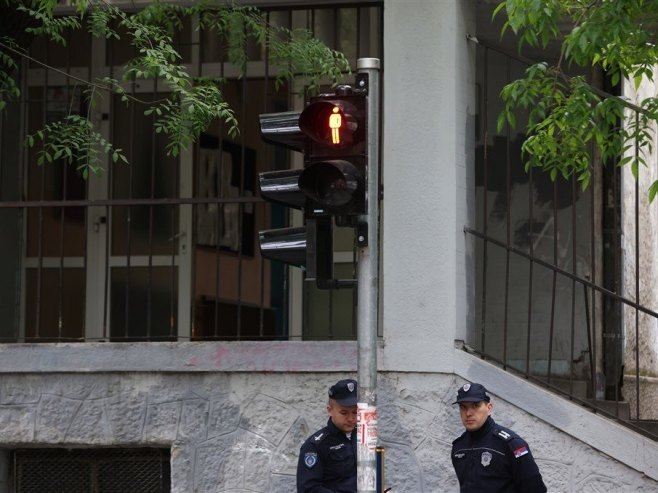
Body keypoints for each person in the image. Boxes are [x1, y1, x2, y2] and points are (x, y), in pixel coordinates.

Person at [451, 382, 547, 492]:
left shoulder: (511, 445)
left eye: (475, 406)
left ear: (489, 408)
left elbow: (535, 489)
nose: (468, 413)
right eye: (463, 407)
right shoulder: (458, 447)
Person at [297, 378, 357, 493]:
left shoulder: (363, 437)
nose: (350, 418)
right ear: (330, 410)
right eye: (344, 413)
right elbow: (308, 489)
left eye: (355, 412)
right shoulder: (315, 445)